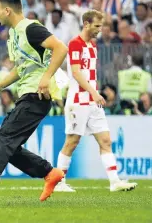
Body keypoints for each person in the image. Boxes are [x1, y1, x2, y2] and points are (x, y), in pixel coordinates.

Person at [0, 0, 68, 207]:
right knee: (8, 145)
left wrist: (46, 78)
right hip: (28, 95)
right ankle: (49, 172)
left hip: (37, 95)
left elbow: (61, 48)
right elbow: (22, 67)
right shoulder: (15, 34)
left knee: (4, 140)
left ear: (8, 10)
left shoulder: (31, 28)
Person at [54, 10, 137, 193]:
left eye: (101, 26)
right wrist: (94, 93)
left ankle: (114, 182)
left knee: (105, 140)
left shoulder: (92, 45)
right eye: (97, 26)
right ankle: (59, 182)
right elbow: (76, 72)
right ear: (86, 24)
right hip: (78, 101)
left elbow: (90, 75)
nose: (99, 30)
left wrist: (95, 92)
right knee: (72, 142)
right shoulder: (75, 44)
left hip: (92, 101)